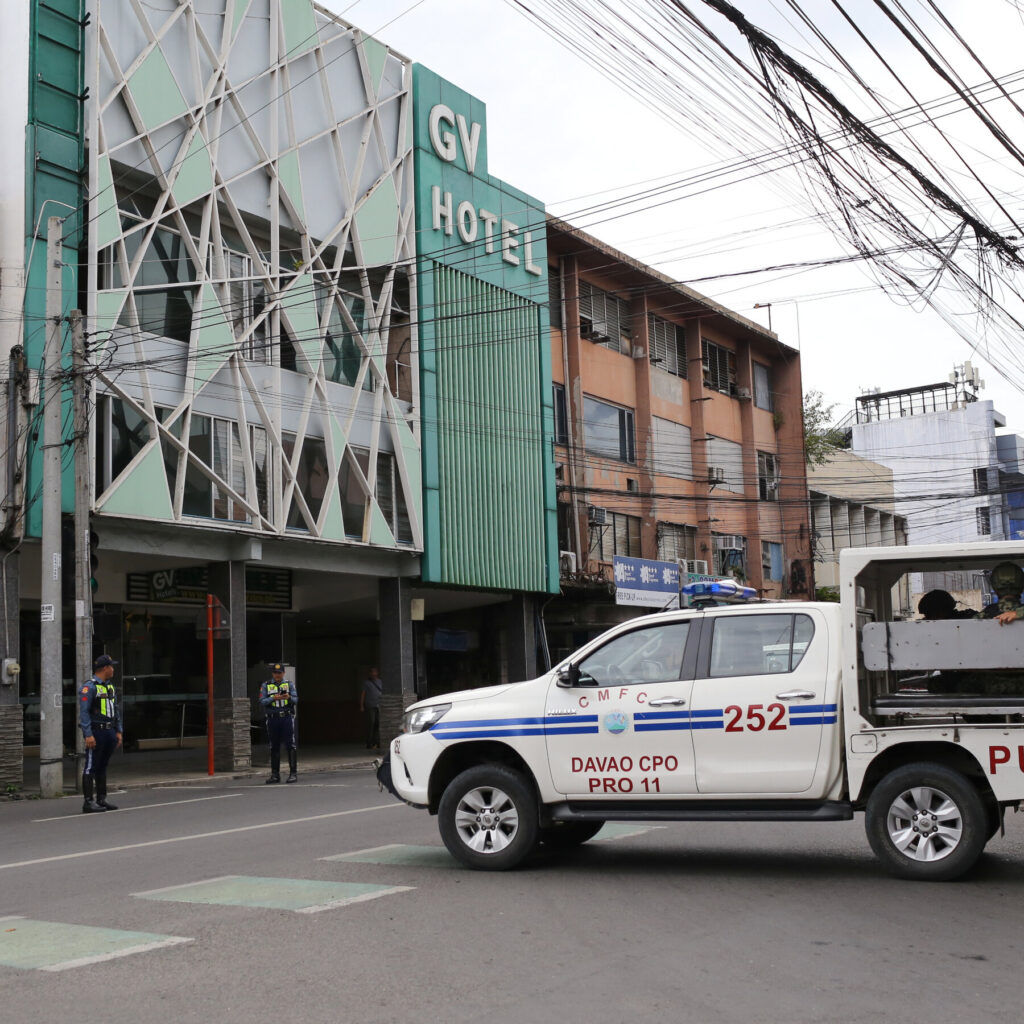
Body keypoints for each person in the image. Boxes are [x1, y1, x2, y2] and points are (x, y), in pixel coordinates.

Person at [79, 653, 123, 813]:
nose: (113, 670)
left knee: (102, 765)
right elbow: (84, 713)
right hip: (96, 731)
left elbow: (116, 710)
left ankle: (101, 799)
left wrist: (118, 730)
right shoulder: (89, 687)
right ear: (105, 668)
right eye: (111, 667)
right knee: (91, 766)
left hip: (109, 731)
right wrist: (88, 734)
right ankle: (88, 802)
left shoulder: (110, 686)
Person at [259, 662, 298, 784]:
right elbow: (262, 701)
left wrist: (288, 697)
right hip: (272, 718)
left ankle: (293, 774)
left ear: (283, 673)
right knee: (274, 746)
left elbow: (296, 699)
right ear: (272, 674)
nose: (277, 675)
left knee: (290, 745)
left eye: (279, 673)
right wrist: (273, 698)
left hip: (286, 717)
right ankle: (275, 775)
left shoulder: (289, 684)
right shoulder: (266, 685)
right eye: (275, 673)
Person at [360, 667, 382, 751]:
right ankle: (369, 742)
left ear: (377, 673)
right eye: (372, 672)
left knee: (378, 724)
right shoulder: (366, 683)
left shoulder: (380, 681)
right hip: (370, 706)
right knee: (371, 723)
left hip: (379, 705)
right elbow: (363, 694)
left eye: (375, 672)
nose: (374, 673)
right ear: (370, 673)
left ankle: (377, 742)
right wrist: (361, 705)